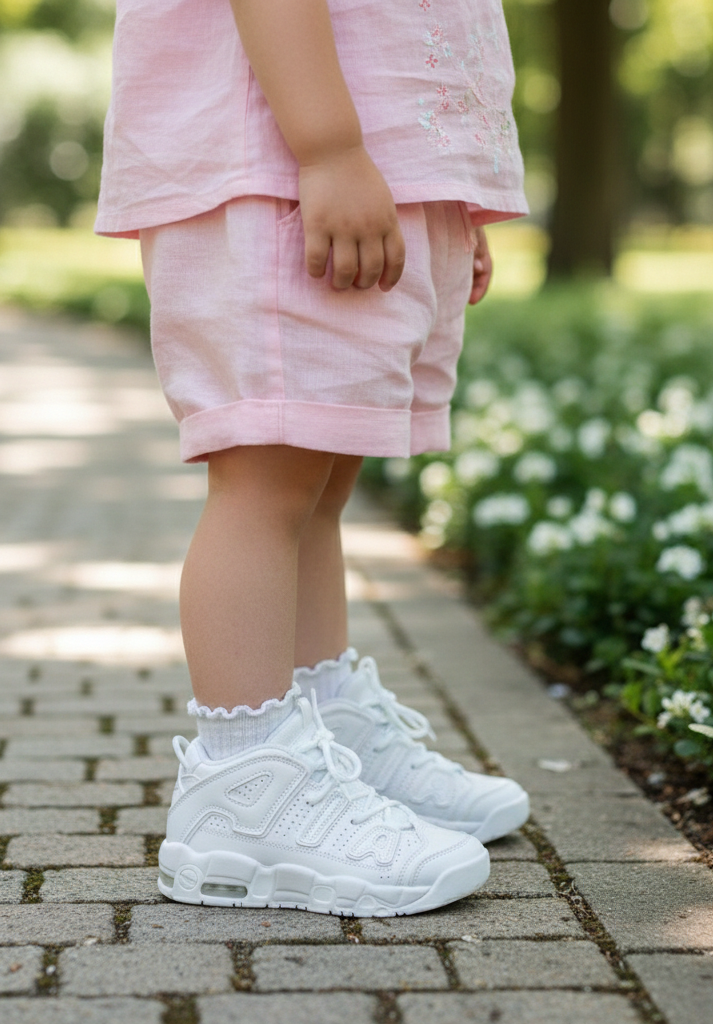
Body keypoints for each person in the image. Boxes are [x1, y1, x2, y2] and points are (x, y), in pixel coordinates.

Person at [95, 0, 530, 916]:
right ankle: (246, 789)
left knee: (321, 480)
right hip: (285, 159)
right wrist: (330, 149)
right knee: (266, 477)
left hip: (368, 166)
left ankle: (324, 728)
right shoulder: (318, 150)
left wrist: (444, 191)